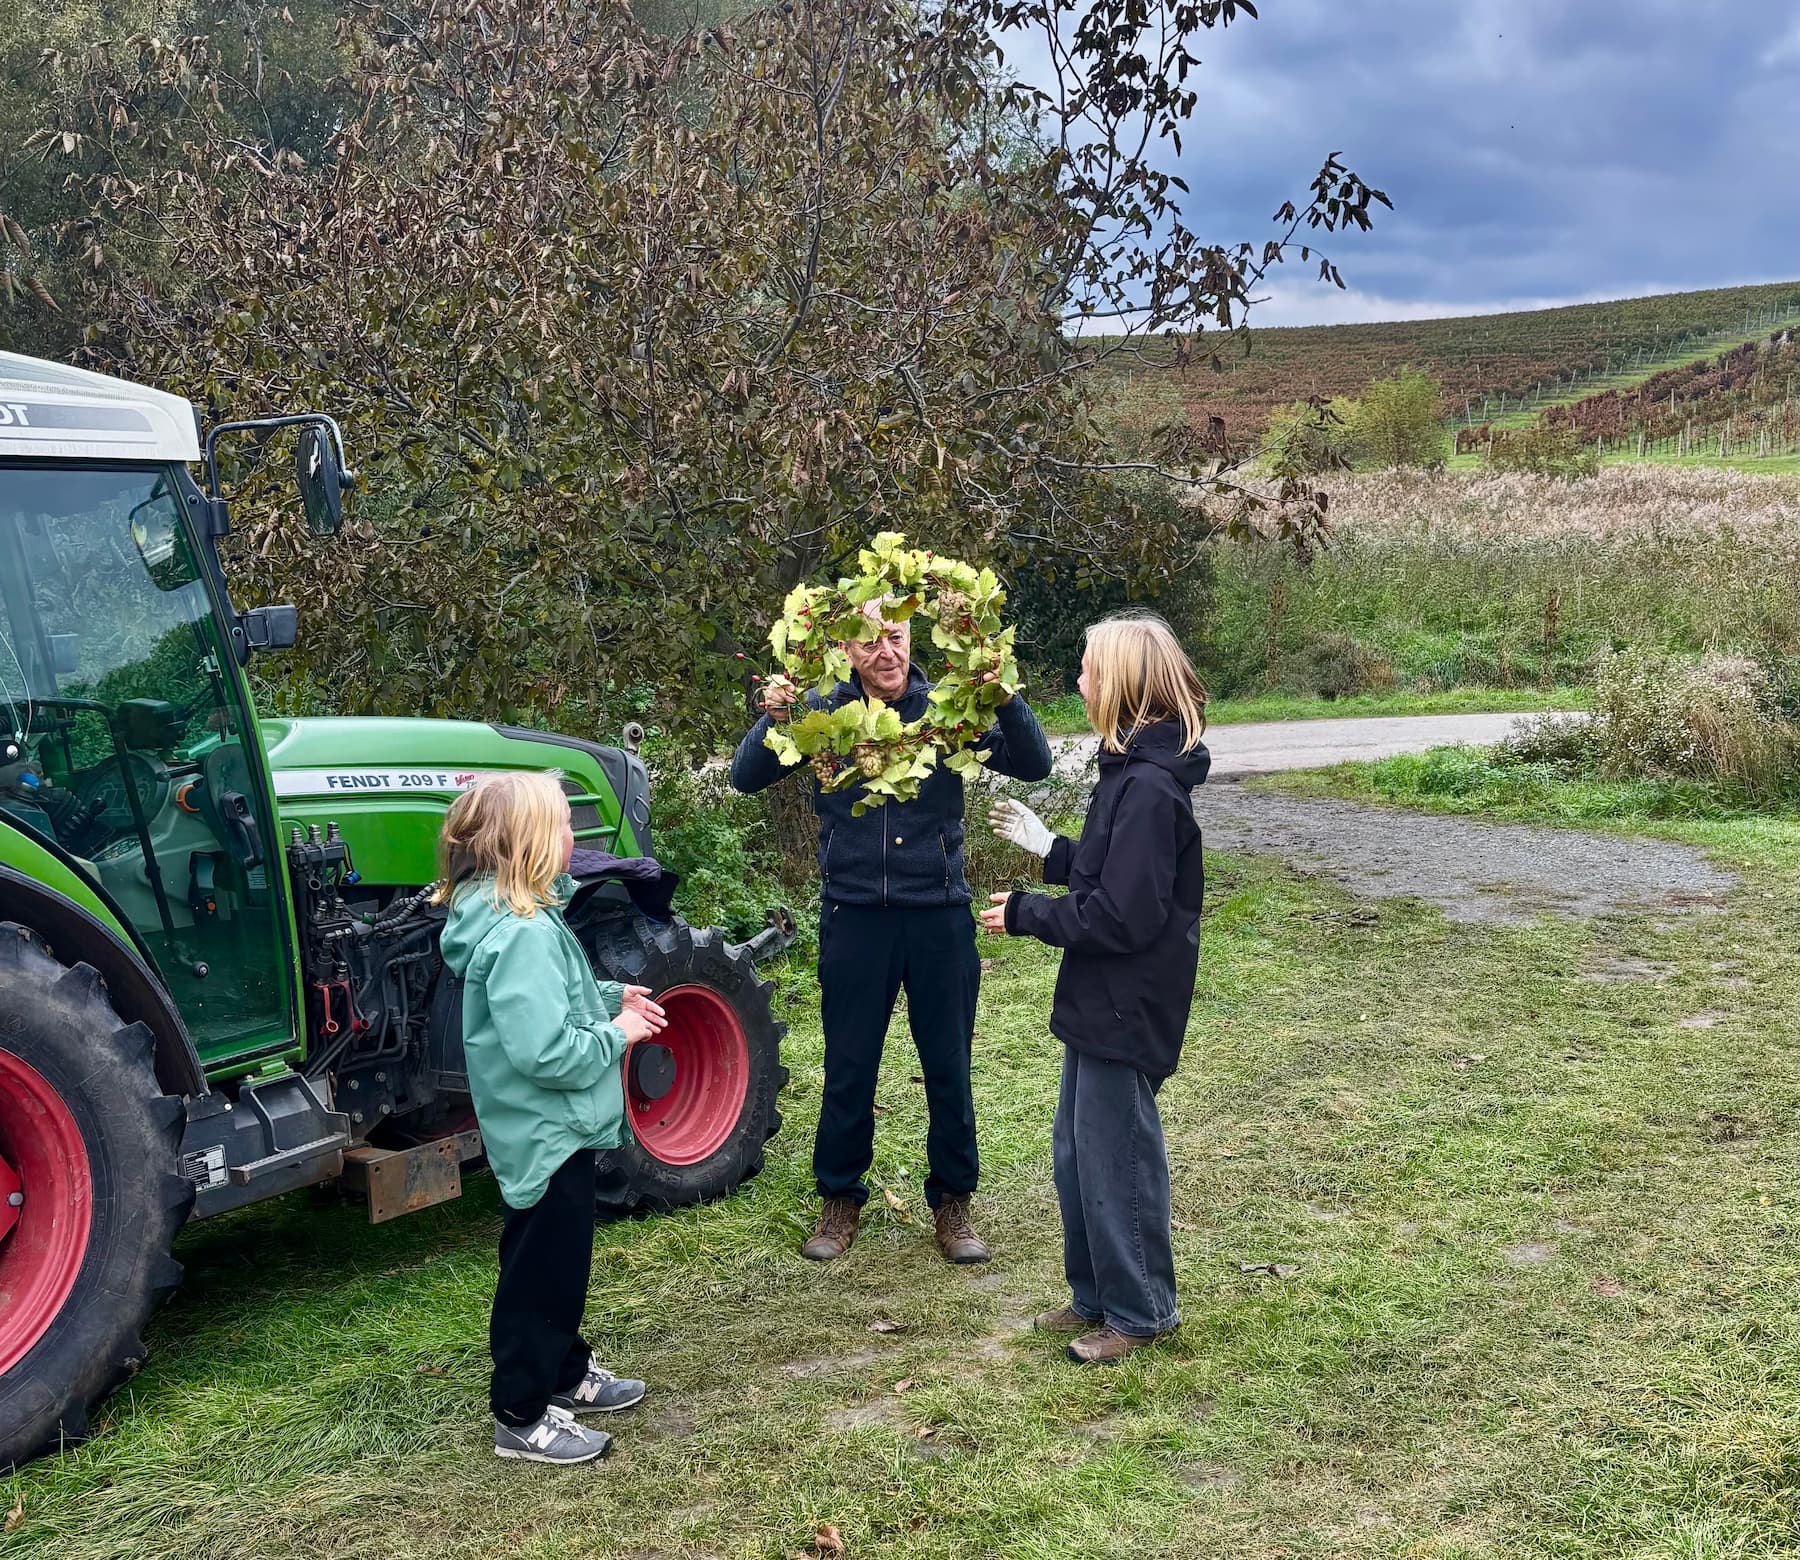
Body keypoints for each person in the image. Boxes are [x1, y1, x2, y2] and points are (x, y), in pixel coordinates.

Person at [731, 599, 1053, 1264]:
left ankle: (954, 1205)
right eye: (871, 642)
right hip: (854, 918)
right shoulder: (822, 716)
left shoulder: (948, 712)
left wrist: (1004, 695)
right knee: (850, 1067)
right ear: (845, 651)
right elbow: (745, 777)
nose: (887, 653)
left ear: (914, 640)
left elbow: (1035, 763)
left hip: (938, 913)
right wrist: (775, 718)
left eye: (898, 638)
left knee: (949, 1068)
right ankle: (840, 1202)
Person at [980, 613, 1209, 1364]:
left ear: (1120, 683)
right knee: (1077, 1154)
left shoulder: (1148, 788)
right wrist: (1052, 853)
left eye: (1086, 669)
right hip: (1097, 999)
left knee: (1118, 1159)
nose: (1078, 681)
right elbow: (1112, 874)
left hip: (1126, 1000)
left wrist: (1026, 914)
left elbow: (1124, 914)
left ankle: (1141, 1311)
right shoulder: (1126, 775)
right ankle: (1095, 1297)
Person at [436, 772, 670, 1464]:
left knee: (552, 1258)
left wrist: (606, 996)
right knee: (544, 1270)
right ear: (533, 843)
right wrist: (621, 1032)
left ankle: (565, 1373)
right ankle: (521, 1411)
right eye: (566, 824)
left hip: (543, 1125)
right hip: (548, 1127)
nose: (576, 836)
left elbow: (552, 997)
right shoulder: (525, 932)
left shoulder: (514, 915)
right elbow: (547, 1052)